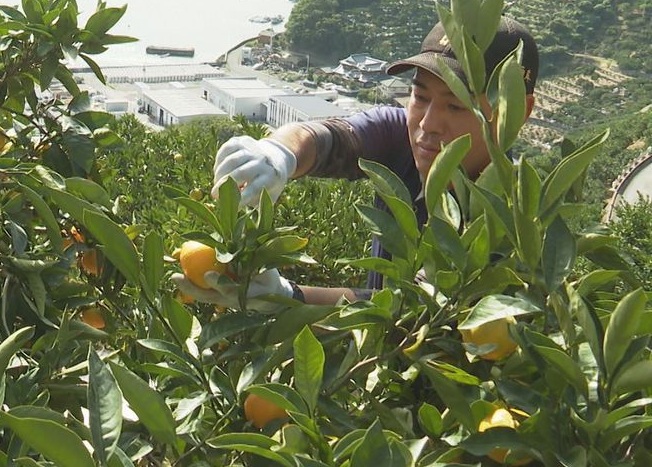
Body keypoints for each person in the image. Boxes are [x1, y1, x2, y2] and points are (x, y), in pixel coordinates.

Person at [175, 16, 539, 307]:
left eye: (456, 105)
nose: (427, 124)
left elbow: (404, 309)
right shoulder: (403, 139)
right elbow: (332, 139)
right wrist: (279, 153)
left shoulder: (511, 222)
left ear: (516, 113)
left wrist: (288, 297)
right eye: (420, 96)